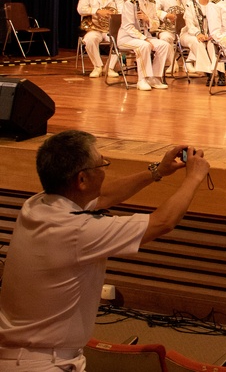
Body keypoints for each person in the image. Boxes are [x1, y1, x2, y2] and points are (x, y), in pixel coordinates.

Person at [0, 130, 210, 370]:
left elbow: (105, 196)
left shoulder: (36, 205)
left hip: (21, 356)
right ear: (81, 180)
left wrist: (158, 171)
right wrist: (193, 177)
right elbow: (162, 222)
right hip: (44, 363)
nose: (104, 168)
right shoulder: (78, 231)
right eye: (102, 164)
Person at [118, 0, 173, 91]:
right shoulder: (130, 3)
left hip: (145, 36)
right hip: (126, 38)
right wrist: (144, 38)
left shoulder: (151, 3)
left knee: (164, 45)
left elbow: (156, 24)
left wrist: (147, 19)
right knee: (144, 45)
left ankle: (154, 77)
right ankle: (142, 79)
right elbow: (128, 27)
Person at [77, 0, 125, 79]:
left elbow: (122, 11)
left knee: (120, 40)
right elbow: (81, 9)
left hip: (110, 29)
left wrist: (112, 14)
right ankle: (97, 66)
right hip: (94, 28)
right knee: (90, 39)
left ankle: (110, 67)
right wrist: (98, 11)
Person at [185, 0, 222, 86]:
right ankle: (209, 73)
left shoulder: (214, 5)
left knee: (213, 44)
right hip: (190, 34)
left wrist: (211, 35)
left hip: (209, 34)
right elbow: (189, 24)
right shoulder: (190, 4)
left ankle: (219, 72)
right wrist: (198, 34)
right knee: (198, 42)